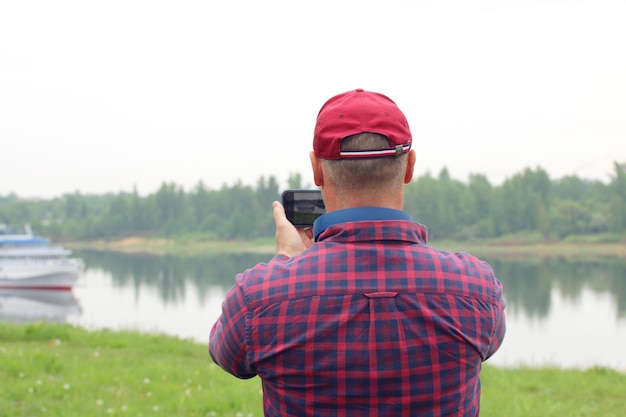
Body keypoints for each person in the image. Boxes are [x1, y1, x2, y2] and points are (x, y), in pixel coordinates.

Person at [209, 88, 506, 416]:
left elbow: (228, 356)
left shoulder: (259, 297)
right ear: (409, 168)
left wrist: (288, 261)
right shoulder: (477, 288)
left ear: (317, 170)